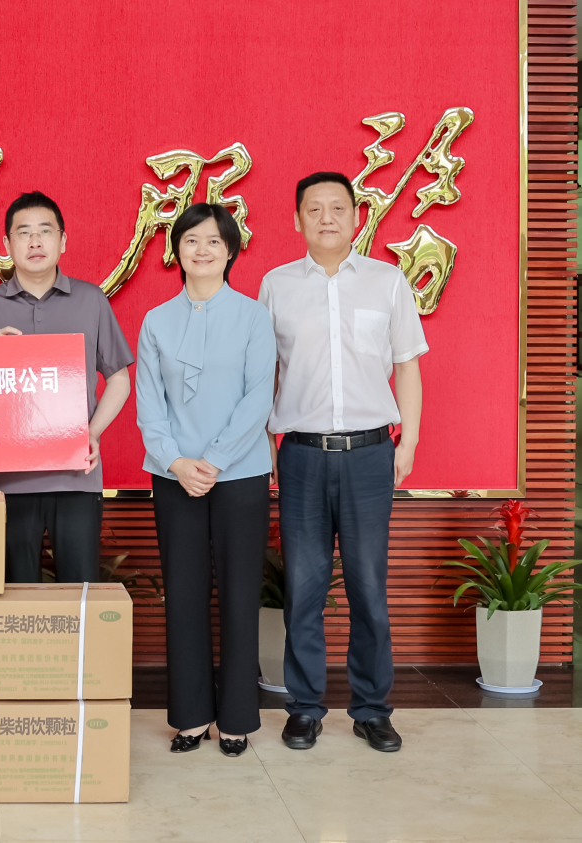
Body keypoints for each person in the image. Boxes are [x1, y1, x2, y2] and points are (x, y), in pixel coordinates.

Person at [260, 172, 427, 753]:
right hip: (302, 455)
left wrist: (408, 443)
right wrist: (267, 445)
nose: (326, 217)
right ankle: (305, 708)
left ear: (357, 216)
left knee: (368, 588)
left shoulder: (387, 281)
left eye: (338, 207)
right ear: (297, 220)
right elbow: (265, 374)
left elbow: (407, 364)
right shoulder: (276, 285)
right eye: (314, 209)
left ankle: (372, 709)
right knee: (304, 589)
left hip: (370, 454)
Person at [135, 203, 275, 756]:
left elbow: (258, 397)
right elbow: (150, 405)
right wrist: (176, 462)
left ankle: (237, 717)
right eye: (191, 239)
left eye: (214, 241)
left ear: (231, 250)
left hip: (239, 474)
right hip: (174, 478)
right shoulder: (156, 321)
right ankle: (191, 716)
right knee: (184, 595)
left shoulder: (253, 316)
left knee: (240, 595)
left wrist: (213, 461)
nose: (202, 250)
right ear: (176, 249)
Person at [0, 191, 133, 583]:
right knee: (15, 591)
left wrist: (92, 433)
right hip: (11, 479)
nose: (35, 241)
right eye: (24, 233)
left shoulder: (91, 300)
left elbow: (119, 378)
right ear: (6, 244)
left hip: (78, 475)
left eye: (45, 231)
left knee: (79, 588)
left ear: (63, 240)